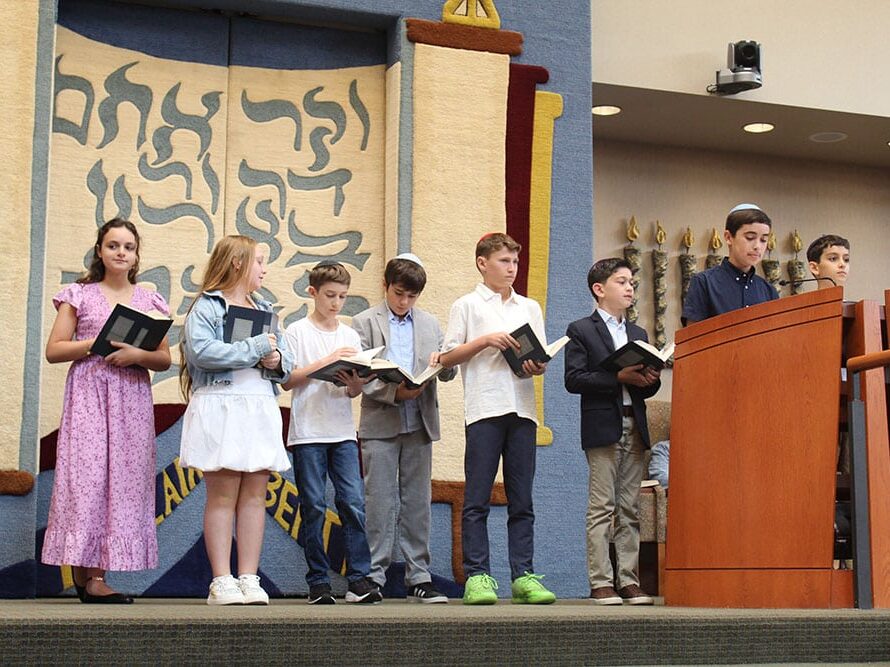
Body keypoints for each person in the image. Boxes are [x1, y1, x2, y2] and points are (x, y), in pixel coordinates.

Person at [42, 218, 172, 603]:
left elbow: (164, 358)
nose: (120, 252)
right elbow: (54, 350)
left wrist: (137, 354)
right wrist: (94, 344)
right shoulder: (78, 295)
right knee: (87, 479)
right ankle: (88, 576)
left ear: (136, 256)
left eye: (128, 247)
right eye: (113, 245)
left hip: (130, 399)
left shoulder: (149, 300)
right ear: (99, 250)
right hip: (89, 396)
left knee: (121, 482)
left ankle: (94, 577)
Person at [439, 232, 557, 605]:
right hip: (485, 409)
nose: (512, 269)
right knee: (477, 498)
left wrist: (536, 366)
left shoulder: (529, 306)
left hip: (522, 409)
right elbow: (446, 358)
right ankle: (478, 575)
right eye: (504, 261)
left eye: (516, 263)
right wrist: (486, 340)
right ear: (482, 263)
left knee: (522, 499)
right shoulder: (467, 305)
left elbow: (535, 360)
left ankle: (523, 575)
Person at [179, 235, 293, 606]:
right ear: (238, 264)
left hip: (258, 405)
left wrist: (278, 362)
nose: (265, 269)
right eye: (260, 261)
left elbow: (284, 362)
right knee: (223, 494)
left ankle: (248, 575)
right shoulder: (208, 306)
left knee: (255, 496)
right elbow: (202, 352)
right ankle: (221, 579)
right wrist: (257, 348)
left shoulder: (265, 308)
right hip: (222, 403)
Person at [351, 253, 457, 603]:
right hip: (381, 420)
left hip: (419, 421)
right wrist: (393, 391)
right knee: (379, 500)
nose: (404, 302)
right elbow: (359, 376)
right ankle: (374, 576)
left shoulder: (429, 323)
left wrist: (444, 364)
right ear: (386, 286)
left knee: (417, 503)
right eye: (399, 293)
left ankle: (419, 577)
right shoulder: (363, 322)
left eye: (411, 296)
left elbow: (448, 370)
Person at [283, 261, 382, 605]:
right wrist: (325, 361)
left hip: (341, 431)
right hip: (308, 431)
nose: (336, 303)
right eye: (329, 295)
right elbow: (287, 379)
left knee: (353, 503)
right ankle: (318, 582)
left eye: (342, 296)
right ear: (313, 293)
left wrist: (356, 385)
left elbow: (353, 392)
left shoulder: (350, 335)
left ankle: (358, 579)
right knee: (312, 505)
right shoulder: (296, 331)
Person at [564, 258, 661, 605]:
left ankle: (629, 580)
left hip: (635, 421)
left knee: (630, 507)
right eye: (621, 281)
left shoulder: (638, 334)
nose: (630, 287)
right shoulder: (581, 329)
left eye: (631, 282)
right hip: (602, 422)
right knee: (602, 506)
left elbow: (644, 387)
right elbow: (573, 379)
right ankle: (601, 581)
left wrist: (649, 379)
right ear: (599, 289)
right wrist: (616, 377)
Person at [682, 203, 779, 325]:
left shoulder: (768, 290)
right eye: (750, 237)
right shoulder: (704, 282)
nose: (757, 246)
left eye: (763, 240)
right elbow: (692, 338)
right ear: (728, 237)